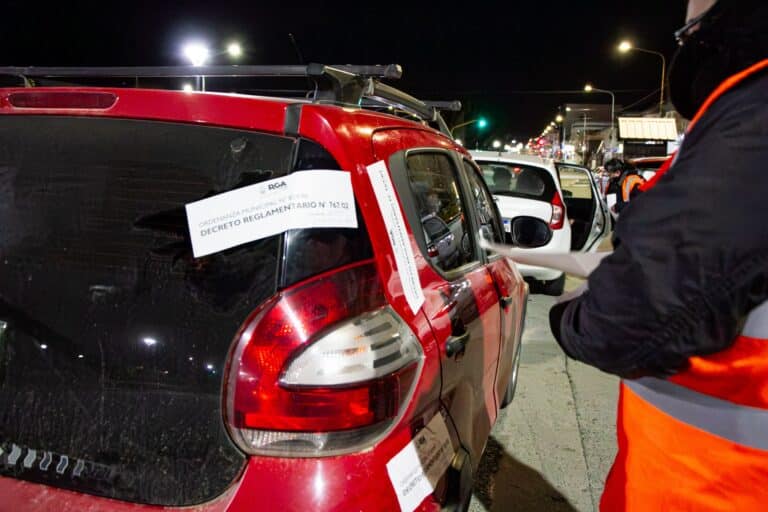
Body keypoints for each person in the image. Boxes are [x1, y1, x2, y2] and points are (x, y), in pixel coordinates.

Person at [549, 0, 768, 510]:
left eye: (689, 30)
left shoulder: (753, 121)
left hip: (712, 491)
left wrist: (570, 312)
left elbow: (629, 315)